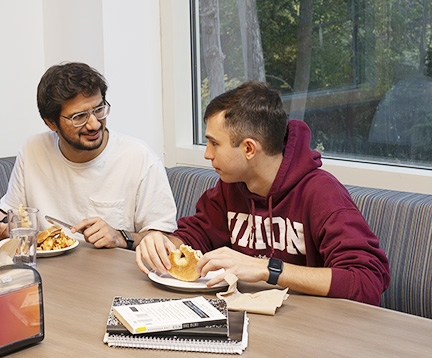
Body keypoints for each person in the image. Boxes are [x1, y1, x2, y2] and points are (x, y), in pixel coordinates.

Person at [135, 81, 390, 305]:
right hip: (251, 318)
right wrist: (163, 244)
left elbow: (367, 281)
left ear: (248, 148)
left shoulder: (321, 193)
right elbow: (196, 234)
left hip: (313, 329)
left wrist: (268, 269)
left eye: (215, 143)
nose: (207, 154)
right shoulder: (231, 185)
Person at [0, 62, 178, 249]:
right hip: (47, 271)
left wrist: (121, 237)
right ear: (51, 123)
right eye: (79, 117)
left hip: (111, 274)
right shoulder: (33, 149)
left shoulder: (139, 158)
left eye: (98, 109)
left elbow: (163, 238)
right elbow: (12, 214)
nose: (94, 124)